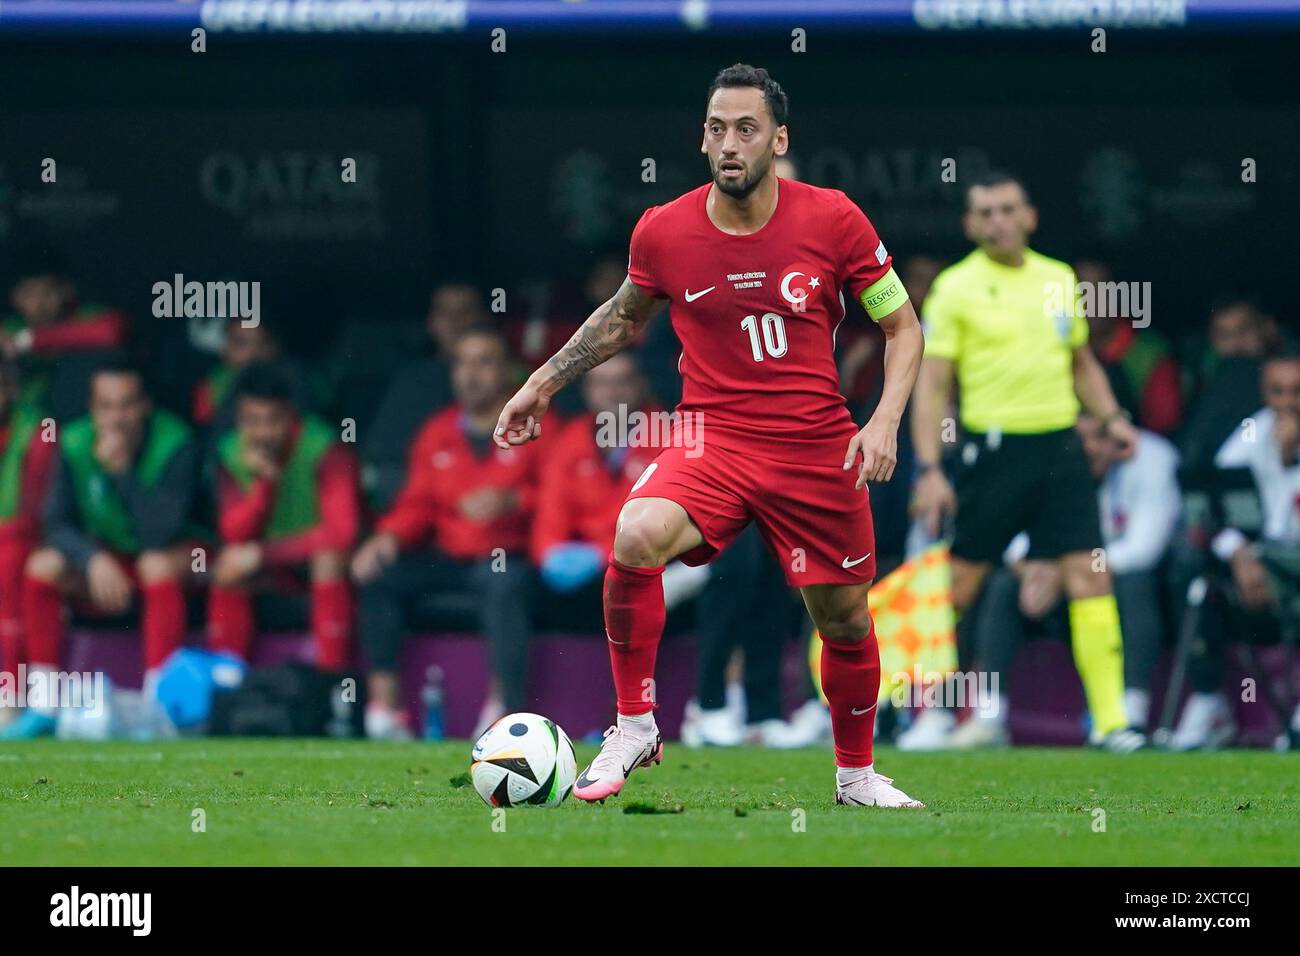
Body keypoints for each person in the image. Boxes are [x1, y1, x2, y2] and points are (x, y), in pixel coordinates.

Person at [494, 64, 926, 807]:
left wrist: (883, 418)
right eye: (717, 128)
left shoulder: (834, 219)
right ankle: (634, 725)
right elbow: (625, 317)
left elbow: (901, 325)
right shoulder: (665, 229)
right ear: (703, 138)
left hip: (816, 445)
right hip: (714, 440)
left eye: (747, 128)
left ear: (779, 140)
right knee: (635, 536)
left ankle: (855, 777)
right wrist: (541, 383)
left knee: (846, 617)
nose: (730, 143)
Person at [910, 171, 1146, 753]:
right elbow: (932, 384)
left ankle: (1112, 723)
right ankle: (933, 716)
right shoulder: (955, 288)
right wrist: (931, 468)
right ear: (970, 224)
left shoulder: (1058, 278)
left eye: (1007, 209)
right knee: (959, 587)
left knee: (1090, 574)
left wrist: (1113, 419)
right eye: (985, 212)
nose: (998, 221)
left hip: (1061, 446)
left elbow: (1082, 363)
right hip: (994, 452)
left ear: (1029, 215)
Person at [948, 412, 1181, 748]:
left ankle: (1126, 717)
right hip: (1057, 585)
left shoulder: (1152, 459)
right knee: (1002, 585)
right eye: (1079, 438)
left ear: (1121, 437)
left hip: (1133, 588)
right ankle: (989, 716)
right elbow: (1012, 537)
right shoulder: (1053, 457)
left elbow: (1144, 549)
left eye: (1099, 438)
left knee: (1135, 584)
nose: (1089, 448)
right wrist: (1034, 569)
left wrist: (1067, 571)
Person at [353, 327, 538, 740]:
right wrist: (389, 538)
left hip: (510, 555)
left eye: (484, 362)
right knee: (378, 575)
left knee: (505, 584)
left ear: (507, 371)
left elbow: (558, 496)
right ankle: (386, 711)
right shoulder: (437, 431)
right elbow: (416, 503)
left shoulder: (534, 427)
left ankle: (501, 711)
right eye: (462, 363)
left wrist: (513, 502)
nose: (471, 374)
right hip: (448, 555)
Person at [4, 359, 199, 738]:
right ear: (92, 408)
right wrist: (92, 559)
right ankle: (45, 705)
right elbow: (55, 524)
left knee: (155, 563)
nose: (116, 418)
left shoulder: (176, 442)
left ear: (145, 406)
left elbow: (161, 533)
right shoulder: (74, 441)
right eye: (106, 407)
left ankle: (157, 708)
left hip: (179, 560)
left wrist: (123, 473)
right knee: (43, 564)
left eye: (126, 405)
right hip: (106, 564)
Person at [1172, 351, 1300, 750]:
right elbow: (1214, 503)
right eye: (1276, 392)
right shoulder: (1252, 430)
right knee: (1191, 570)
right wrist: (1239, 555)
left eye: (1297, 392)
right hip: (1260, 563)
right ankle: (1211, 701)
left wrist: (1289, 457)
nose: (1286, 403)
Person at [207, 363, 361, 674]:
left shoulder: (325, 448)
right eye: (252, 422)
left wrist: (264, 553)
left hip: (324, 566)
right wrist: (264, 485)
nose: (263, 432)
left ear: (291, 416)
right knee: (228, 567)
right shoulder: (230, 453)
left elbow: (343, 533)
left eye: (273, 420)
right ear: (238, 419)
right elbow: (233, 533)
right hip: (275, 569)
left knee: (327, 559)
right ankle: (226, 679)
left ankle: (330, 678)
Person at [1077, 258, 1183, 436]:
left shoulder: (1150, 353)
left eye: (1099, 290)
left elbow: (1164, 426)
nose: (1089, 300)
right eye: (1081, 290)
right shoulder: (1059, 348)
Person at [0, 362, 57, 679]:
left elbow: (34, 513)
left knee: (9, 558)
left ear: (9, 387)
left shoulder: (39, 429)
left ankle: (10, 688)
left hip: (27, 540)